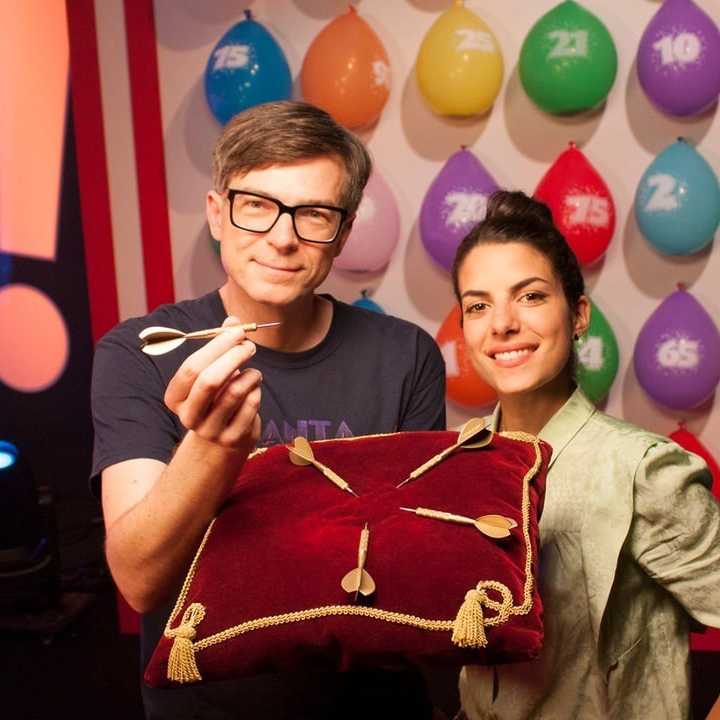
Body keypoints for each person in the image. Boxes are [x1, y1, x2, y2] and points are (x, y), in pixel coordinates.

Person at [90, 101, 447, 719]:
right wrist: (212, 447)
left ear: (343, 231)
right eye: (256, 205)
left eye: (314, 214)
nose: (282, 238)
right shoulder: (140, 352)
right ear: (216, 213)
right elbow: (139, 579)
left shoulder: (404, 355)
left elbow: (414, 572)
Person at [450, 190, 720, 719]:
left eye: (530, 296)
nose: (501, 323)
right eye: (478, 305)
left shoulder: (640, 470)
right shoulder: (459, 461)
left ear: (579, 315)